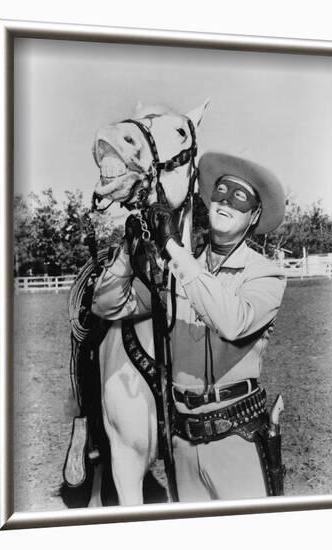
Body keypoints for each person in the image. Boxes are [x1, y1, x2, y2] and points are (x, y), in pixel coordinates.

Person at [92, 152, 287, 502]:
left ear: (254, 215)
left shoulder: (266, 274)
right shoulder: (176, 274)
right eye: (221, 191)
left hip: (237, 437)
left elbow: (233, 321)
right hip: (182, 441)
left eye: (240, 198)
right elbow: (108, 305)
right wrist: (126, 249)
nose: (226, 200)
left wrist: (172, 248)